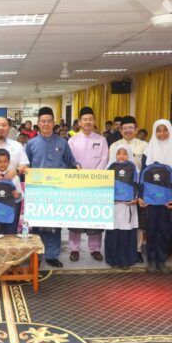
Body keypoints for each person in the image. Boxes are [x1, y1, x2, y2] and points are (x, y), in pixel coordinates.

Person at [25, 106, 78, 268]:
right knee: (37, 223)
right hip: (38, 190)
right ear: (38, 123)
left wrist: (77, 166)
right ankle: (37, 254)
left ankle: (52, 255)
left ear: (54, 123)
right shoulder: (31, 144)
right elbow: (25, 165)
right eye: (43, 121)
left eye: (49, 121)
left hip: (57, 190)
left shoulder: (62, 142)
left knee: (54, 223)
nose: (46, 124)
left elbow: (70, 161)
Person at [139, 120, 172, 273]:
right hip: (150, 198)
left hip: (168, 198)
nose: (162, 133)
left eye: (165, 130)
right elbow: (142, 177)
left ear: (170, 131)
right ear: (154, 132)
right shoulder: (148, 152)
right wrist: (140, 196)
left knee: (165, 230)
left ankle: (162, 259)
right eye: (158, 130)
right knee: (151, 229)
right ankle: (151, 259)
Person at [67, 106, 109, 262]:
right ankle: (74, 248)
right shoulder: (72, 141)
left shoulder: (101, 139)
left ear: (94, 121)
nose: (88, 122)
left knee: (95, 216)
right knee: (76, 217)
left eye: (91, 119)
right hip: (77, 184)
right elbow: (70, 160)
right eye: (85, 119)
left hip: (96, 184)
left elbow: (104, 159)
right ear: (79, 122)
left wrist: (93, 176)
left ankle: (95, 248)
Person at [109, 115, 149, 262]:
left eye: (131, 128)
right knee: (118, 222)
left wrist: (139, 194)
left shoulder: (144, 146)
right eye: (125, 128)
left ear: (136, 129)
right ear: (120, 130)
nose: (128, 131)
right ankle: (117, 251)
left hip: (136, 188)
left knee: (137, 222)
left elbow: (146, 169)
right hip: (118, 191)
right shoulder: (114, 146)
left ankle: (137, 250)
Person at [105, 145, 139, 268]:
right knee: (113, 232)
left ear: (129, 155)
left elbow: (137, 185)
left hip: (127, 207)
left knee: (126, 232)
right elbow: (104, 187)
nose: (121, 156)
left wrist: (135, 199)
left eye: (124, 154)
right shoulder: (109, 168)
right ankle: (113, 260)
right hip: (113, 206)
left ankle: (126, 260)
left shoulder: (134, 168)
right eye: (119, 153)